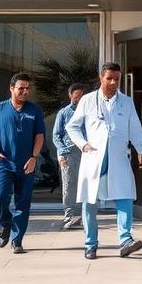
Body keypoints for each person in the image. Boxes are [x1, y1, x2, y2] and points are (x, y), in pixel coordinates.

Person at [67, 62, 142, 259]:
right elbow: (72, 127)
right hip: (94, 157)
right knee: (89, 201)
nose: (113, 82)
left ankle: (125, 239)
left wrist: (141, 150)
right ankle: (90, 244)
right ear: (101, 78)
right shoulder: (87, 100)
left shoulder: (126, 102)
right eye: (109, 78)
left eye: (117, 79)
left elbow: (135, 127)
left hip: (118, 156)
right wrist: (83, 144)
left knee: (125, 196)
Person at [0, 72, 45, 254]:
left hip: (26, 164)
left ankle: (17, 240)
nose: (25, 92)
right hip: (3, 163)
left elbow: (39, 136)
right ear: (11, 89)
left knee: (23, 204)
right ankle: (5, 224)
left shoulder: (34, 111)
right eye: (21, 88)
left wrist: (34, 157)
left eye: (27, 89)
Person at [52, 82, 87, 230]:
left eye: (81, 96)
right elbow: (56, 135)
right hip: (69, 153)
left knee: (84, 184)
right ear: (70, 96)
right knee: (69, 186)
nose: (79, 99)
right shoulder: (64, 113)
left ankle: (81, 216)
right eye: (76, 96)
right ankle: (69, 216)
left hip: (86, 153)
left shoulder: (89, 111)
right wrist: (62, 152)